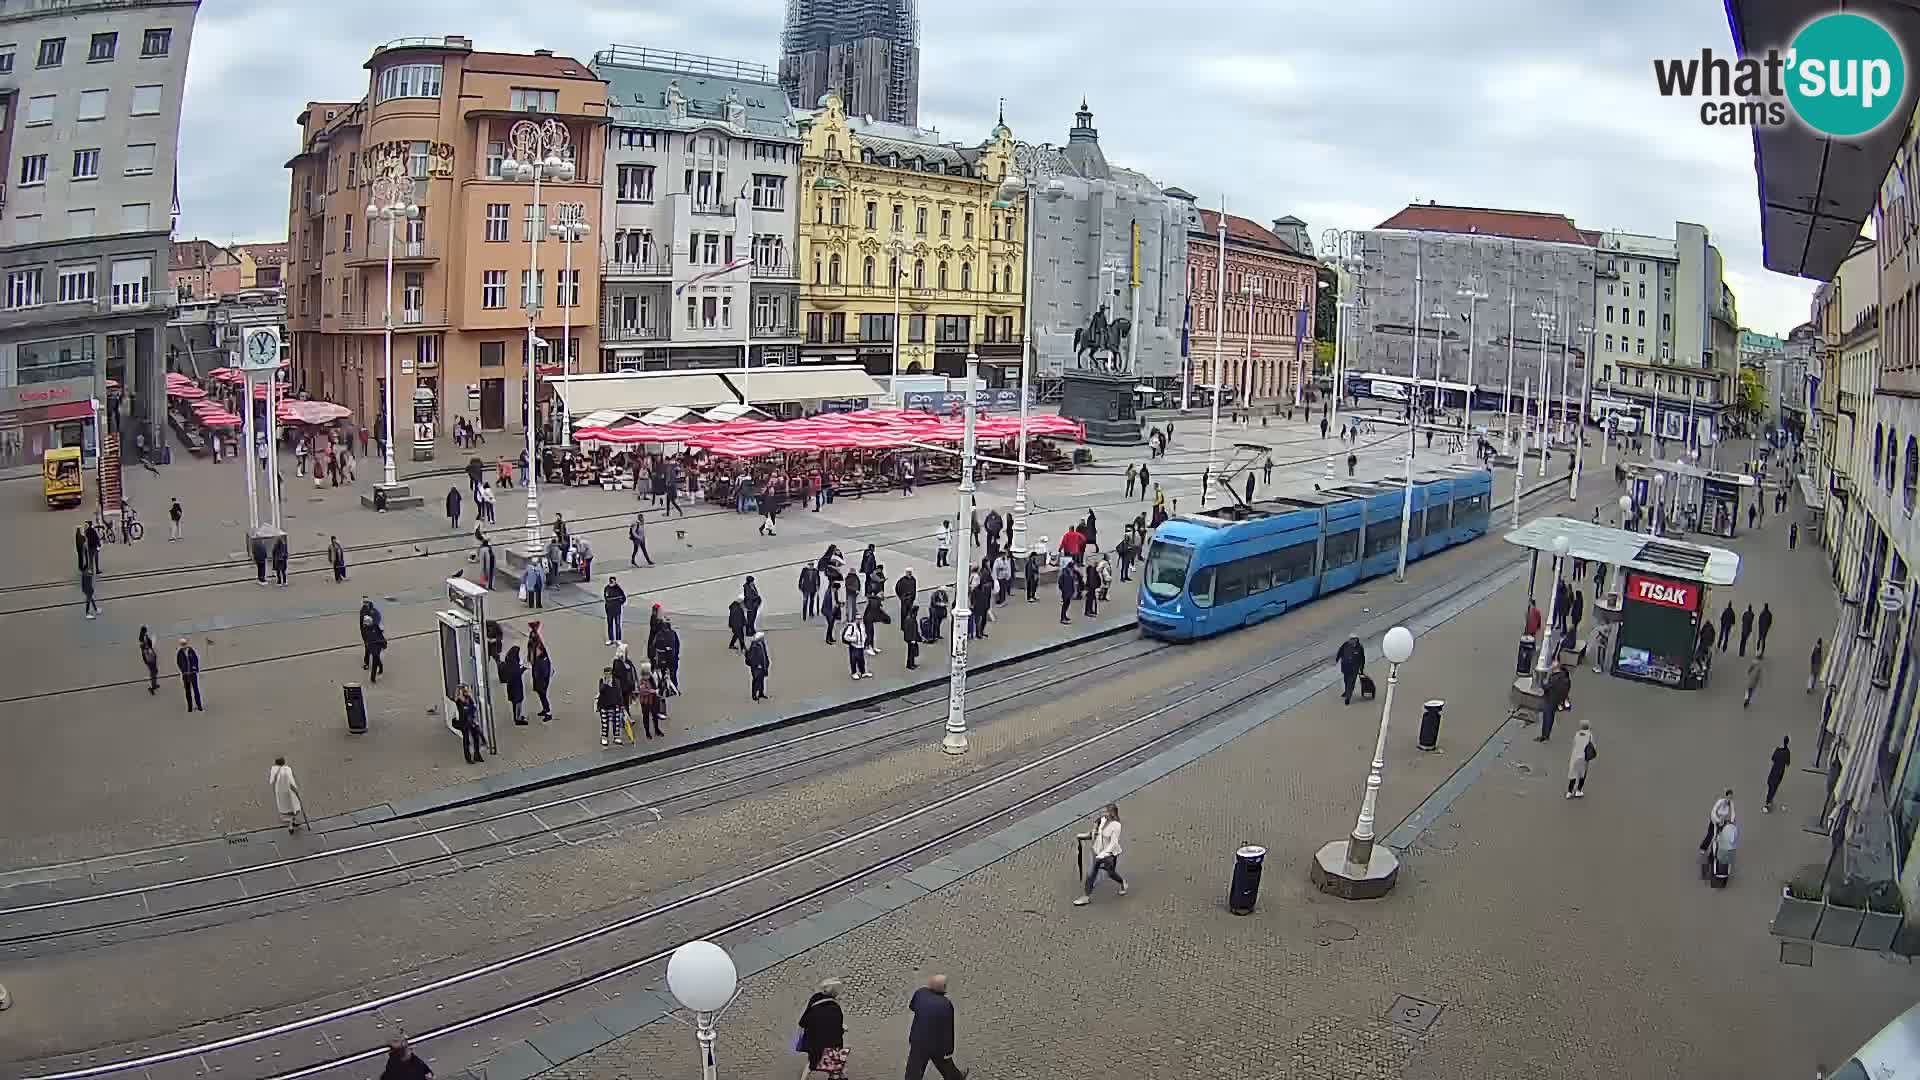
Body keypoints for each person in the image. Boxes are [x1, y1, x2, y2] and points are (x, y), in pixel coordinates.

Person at [904, 974, 966, 1080]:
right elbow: (948, 1029)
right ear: (944, 988)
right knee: (945, 1065)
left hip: (918, 1040)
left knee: (913, 1071)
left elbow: (912, 1007)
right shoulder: (946, 1004)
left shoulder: (920, 993)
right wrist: (948, 1050)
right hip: (936, 1044)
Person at [1074, 802, 1126, 906]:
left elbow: (1113, 843)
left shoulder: (1116, 826)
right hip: (1096, 851)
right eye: (1103, 811)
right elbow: (1095, 834)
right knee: (1090, 874)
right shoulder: (1102, 820)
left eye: (1106, 812)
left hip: (1108, 855)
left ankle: (1122, 882)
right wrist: (1083, 836)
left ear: (1112, 813)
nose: (1103, 813)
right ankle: (1086, 896)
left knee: (1110, 873)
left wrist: (1103, 855)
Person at [796, 978, 848, 1079]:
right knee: (835, 1067)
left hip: (813, 1042)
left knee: (811, 1064)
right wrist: (843, 1029)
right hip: (828, 1045)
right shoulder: (834, 1009)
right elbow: (836, 1032)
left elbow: (804, 1020)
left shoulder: (815, 998)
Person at [1534, 660, 1571, 741]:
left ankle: (1544, 736)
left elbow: (1546, 687)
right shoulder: (1565, 676)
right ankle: (1547, 734)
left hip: (1550, 699)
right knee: (1551, 717)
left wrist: (1543, 683)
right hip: (1557, 700)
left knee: (1547, 718)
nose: (1551, 667)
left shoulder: (1554, 678)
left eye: (1552, 666)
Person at [269, 757, 303, 831]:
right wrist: (296, 790)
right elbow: (290, 782)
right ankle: (291, 825)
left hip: (280, 791)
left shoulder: (274, 769)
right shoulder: (287, 770)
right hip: (288, 791)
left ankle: (292, 822)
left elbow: (271, 780)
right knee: (293, 807)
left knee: (286, 807)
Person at [453, 685, 485, 763]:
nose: (466, 692)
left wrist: (468, 708)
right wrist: (467, 707)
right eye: (464, 690)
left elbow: (473, 708)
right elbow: (464, 710)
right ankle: (468, 758)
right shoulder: (458, 701)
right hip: (464, 723)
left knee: (476, 737)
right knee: (466, 740)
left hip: (471, 721)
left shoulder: (468, 698)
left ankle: (477, 754)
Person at [529, 626, 554, 722]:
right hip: (539, 679)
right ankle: (545, 709)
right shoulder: (538, 653)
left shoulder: (542, 659)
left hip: (542, 680)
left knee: (543, 694)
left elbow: (544, 672)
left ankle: (548, 712)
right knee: (541, 694)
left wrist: (541, 683)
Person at [1700, 789, 1736, 856]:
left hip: (1722, 822)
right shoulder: (1720, 802)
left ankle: (1714, 853)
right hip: (1714, 820)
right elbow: (1713, 812)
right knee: (1711, 835)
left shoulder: (1731, 803)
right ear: (1726, 796)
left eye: (1731, 797)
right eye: (1729, 797)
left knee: (1720, 838)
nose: (1730, 799)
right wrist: (1717, 820)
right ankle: (1703, 848)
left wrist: (1732, 821)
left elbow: (1733, 813)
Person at [597, 666, 625, 747]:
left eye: (608, 674)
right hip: (604, 705)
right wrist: (605, 684)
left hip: (614, 705)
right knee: (605, 723)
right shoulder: (602, 681)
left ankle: (616, 737)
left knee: (616, 723)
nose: (607, 675)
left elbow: (619, 693)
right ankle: (604, 738)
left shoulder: (616, 681)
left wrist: (621, 705)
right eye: (606, 674)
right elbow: (601, 690)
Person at [499, 645, 528, 726]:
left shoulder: (509, 660)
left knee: (516, 703)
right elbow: (516, 673)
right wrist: (523, 669)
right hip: (516, 687)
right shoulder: (513, 663)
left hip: (512, 687)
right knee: (517, 703)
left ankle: (517, 717)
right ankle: (517, 719)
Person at [1566, 721, 1594, 798]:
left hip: (1575, 757)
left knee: (1573, 774)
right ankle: (1578, 791)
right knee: (1582, 775)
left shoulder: (1577, 734)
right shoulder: (1589, 735)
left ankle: (1569, 792)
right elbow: (1591, 745)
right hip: (1584, 758)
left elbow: (1574, 743)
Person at [1336, 635, 1366, 705]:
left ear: (1356, 639)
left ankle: (1348, 698)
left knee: (1351, 682)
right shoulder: (1346, 644)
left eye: (1352, 639)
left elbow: (1362, 659)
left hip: (1354, 669)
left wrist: (1361, 669)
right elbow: (1340, 651)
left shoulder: (1359, 648)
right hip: (1345, 667)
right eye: (1350, 639)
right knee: (1346, 681)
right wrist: (1337, 659)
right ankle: (1346, 692)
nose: (1350, 640)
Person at [1765, 736, 1792, 812]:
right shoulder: (1787, 752)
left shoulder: (1778, 750)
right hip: (1780, 772)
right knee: (1775, 786)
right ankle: (1769, 800)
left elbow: (1773, 759)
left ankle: (1768, 800)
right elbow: (1788, 763)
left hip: (1774, 770)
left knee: (1770, 784)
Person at [177, 637, 203, 712]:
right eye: (182, 644)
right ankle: (190, 707)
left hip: (192, 674)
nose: (184, 645)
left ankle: (199, 706)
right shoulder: (179, 653)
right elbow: (178, 662)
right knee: (188, 691)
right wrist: (183, 670)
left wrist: (196, 669)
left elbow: (196, 659)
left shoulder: (191, 651)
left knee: (196, 690)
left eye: (184, 644)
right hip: (185, 675)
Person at [746, 631, 771, 701]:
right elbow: (752, 658)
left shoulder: (762, 644)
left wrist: (767, 661)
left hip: (763, 665)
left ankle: (761, 693)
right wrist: (757, 665)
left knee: (762, 680)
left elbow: (764, 654)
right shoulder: (754, 646)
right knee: (756, 680)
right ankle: (754, 695)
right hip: (757, 667)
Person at [603, 577, 627, 644]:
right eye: (610, 581)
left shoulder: (618, 589)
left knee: (618, 624)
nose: (611, 583)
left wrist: (619, 604)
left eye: (613, 581)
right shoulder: (606, 588)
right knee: (610, 625)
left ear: (615, 582)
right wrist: (607, 606)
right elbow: (605, 598)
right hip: (609, 610)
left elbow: (624, 598)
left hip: (617, 610)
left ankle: (618, 639)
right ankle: (611, 639)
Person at [1058, 557, 1080, 625]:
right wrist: (1063, 589)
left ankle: (1065, 616)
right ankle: (1062, 618)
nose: (1074, 567)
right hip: (1065, 592)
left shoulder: (1071, 571)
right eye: (1073, 566)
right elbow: (1060, 582)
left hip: (1070, 591)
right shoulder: (1064, 572)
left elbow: (1077, 577)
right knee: (1064, 605)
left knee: (1067, 604)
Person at [139, 626, 159, 693]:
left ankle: (154, 684)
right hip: (150, 658)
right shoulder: (142, 639)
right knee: (153, 671)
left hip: (150, 656)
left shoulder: (144, 637)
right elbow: (145, 648)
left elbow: (149, 644)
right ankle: (153, 685)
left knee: (154, 671)